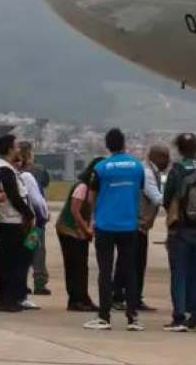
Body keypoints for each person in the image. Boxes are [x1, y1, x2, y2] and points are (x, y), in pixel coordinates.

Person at [84, 128, 146, 331]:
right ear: (124, 143)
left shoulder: (101, 168)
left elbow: (91, 197)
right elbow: (140, 191)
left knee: (105, 271)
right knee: (129, 271)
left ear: (108, 145)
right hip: (129, 225)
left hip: (105, 225)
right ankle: (132, 317)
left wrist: (93, 217)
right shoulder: (137, 166)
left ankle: (104, 316)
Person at [162, 132, 196, 332]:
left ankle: (179, 317)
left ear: (179, 149)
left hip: (182, 229)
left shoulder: (177, 169)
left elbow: (168, 199)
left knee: (179, 273)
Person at [114, 143, 166, 314]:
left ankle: (132, 297)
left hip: (139, 225)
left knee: (135, 263)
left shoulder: (152, 171)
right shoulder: (147, 172)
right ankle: (124, 297)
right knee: (133, 263)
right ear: (157, 157)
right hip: (136, 225)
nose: (168, 162)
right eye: (166, 158)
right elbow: (156, 198)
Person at [0, 135, 33, 313]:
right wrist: (29, 213)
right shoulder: (4, 169)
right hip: (8, 221)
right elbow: (13, 196)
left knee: (10, 261)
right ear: (10, 149)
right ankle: (4, 299)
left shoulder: (7, 168)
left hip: (10, 220)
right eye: (16, 146)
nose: (18, 149)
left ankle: (9, 298)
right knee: (8, 262)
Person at [56, 157, 100, 312]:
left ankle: (83, 297)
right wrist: (86, 229)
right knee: (74, 265)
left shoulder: (94, 188)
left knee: (82, 265)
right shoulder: (82, 187)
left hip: (80, 231)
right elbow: (75, 211)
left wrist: (89, 229)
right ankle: (75, 300)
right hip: (68, 230)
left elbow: (91, 212)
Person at [14, 147, 48, 309]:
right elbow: (38, 198)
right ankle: (33, 286)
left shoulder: (15, 173)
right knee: (33, 253)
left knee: (22, 256)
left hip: (20, 223)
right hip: (34, 224)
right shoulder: (31, 173)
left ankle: (21, 287)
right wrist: (42, 218)